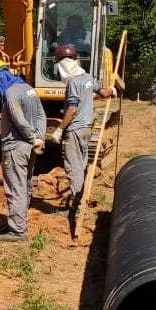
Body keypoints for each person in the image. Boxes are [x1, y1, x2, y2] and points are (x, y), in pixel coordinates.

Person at [0, 59, 46, 242]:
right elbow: (41, 115)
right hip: (31, 148)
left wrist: (32, 137)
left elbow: (18, 120)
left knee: (15, 187)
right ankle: (18, 223)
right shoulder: (28, 88)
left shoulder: (10, 93)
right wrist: (39, 138)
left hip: (15, 147)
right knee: (25, 185)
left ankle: (18, 231)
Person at [51, 43, 115, 219]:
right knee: (82, 165)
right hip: (87, 129)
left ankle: (76, 209)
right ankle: (79, 203)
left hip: (76, 130)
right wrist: (113, 90)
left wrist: (59, 129)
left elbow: (71, 109)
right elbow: (103, 92)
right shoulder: (87, 78)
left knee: (74, 169)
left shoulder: (72, 83)